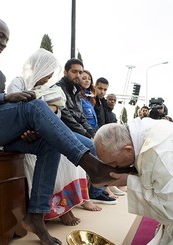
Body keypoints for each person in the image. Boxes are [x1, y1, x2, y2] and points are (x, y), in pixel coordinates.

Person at [0, 16, 134, 245]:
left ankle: (36, 215)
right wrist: (6, 98)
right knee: (33, 106)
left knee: (47, 141)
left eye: (7, 39)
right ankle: (93, 165)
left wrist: (22, 128)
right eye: (0, 35)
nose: (4, 43)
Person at [7, 48, 100, 225]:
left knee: (70, 157)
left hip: (41, 133)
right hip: (23, 136)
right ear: (38, 67)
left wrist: (51, 110)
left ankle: (67, 207)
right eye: (47, 72)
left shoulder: (46, 88)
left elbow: (54, 113)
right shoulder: (18, 83)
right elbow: (14, 112)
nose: (48, 77)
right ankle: (57, 209)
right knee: (58, 154)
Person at [56, 60, 117, 205]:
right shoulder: (59, 89)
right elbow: (67, 117)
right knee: (96, 148)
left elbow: (81, 117)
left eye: (80, 72)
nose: (78, 75)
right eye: (74, 71)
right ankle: (95, 193)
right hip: (63, 130)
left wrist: (95, 134)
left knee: (103, 145)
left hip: (75, 130)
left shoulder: (76, 91)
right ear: (65, 72)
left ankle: (101, 189)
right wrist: (87, 134)